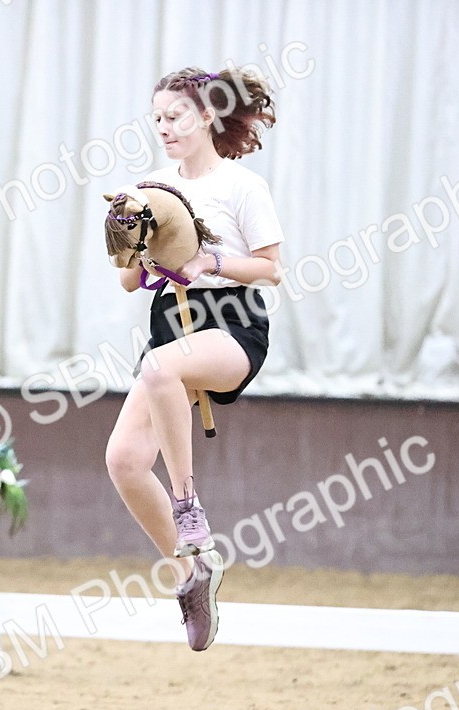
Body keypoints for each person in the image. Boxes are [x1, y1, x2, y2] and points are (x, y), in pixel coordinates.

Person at [104, 66, 284, 651]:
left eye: (175, 115)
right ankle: (191, 574)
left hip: (231, 324)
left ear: (208, 114)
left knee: (161, 367)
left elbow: (272, 268)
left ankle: (188, 506)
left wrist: (211, 262)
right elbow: (133, 281)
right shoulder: (151, 186)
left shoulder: (243, 187)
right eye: (156, 117)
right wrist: (125, 235)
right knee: (124, 460)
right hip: (171, 322)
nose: (164, 127)